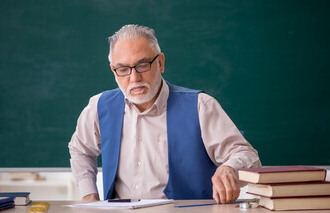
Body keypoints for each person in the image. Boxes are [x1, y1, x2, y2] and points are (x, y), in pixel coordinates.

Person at [68, 24, 261, 203]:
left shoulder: (201, 106)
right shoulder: (99, 106)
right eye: (123, 69)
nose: (134, 78)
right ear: (113, 70)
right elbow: (81, 150)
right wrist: (89, 195)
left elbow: (248, 156)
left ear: (160, 62)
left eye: (143, 65)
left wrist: (229, 169)